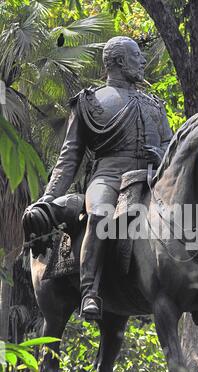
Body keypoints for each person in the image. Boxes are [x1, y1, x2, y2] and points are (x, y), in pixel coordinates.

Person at [38, 36, 173, 321]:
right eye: (137, 55)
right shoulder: (89, 102)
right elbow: (70, 156)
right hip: (108, 177)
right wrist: (48, 198)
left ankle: (191, 291)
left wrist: (161, 156)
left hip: (150, 178)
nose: (143, 61)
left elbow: (169, 146)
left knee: (189, 217)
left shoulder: (154, 105)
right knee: (100, 215)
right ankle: (90, 291)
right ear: (120, 61)